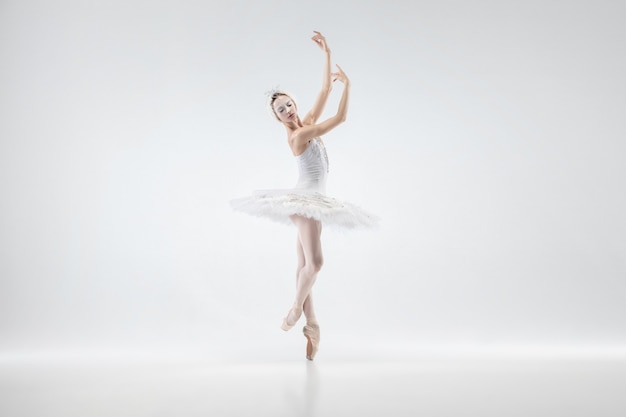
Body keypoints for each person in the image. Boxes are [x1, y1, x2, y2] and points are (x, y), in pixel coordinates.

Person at [231, 31, 376, 360]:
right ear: (277, 118)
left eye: (289, 104)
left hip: (314, 201)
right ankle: (295, 308)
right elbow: (340, 118)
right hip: (305, 202)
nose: (288, 110)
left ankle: (312, 325)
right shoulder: (299, 137)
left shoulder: (304, 122)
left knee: (303, 266)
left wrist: (327, 53)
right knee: (317, 263)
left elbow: (324, 90)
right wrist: (349, 87)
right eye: (282, 110)